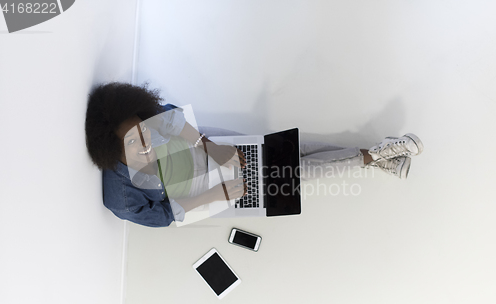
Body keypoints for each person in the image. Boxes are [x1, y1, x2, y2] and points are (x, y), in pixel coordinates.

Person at [85, 82, 423, 228]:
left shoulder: (139, 116)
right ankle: (380, 154)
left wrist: (211, 146)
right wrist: (214, 194)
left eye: (147, 132)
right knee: (297, 175)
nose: (147, 145)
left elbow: (171, 118)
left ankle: (381, 159)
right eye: (133, 144)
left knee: (296, 148)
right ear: (112, 152)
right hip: (214, 195)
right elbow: (162, 216)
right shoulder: (121, 198)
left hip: (212, 150)